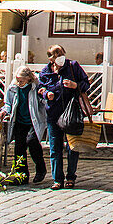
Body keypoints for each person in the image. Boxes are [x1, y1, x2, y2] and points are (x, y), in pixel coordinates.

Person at [38, 44, 90, 189]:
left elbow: (86, 84)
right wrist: (46, 94)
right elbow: (40, 88)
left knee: (72, 147)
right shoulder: (46, 71)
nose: (61, 57)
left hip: (71, 112)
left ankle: (71, 177)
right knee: (55, 148)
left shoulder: (73, 66)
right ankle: (57, 179)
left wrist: (75, 85)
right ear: (51, 59)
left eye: (62, 54)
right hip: (53, 113)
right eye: (57, 55)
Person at [3, 66, 47, 185]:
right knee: (19, 148)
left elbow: (43, 101)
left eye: (21, 80)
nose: (19, 82)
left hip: (33, 120)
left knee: (32, 141)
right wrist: (4, 111)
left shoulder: (35, 87)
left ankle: (41, 169)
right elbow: (8, 103)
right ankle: (21, 176)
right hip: (20, 120)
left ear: (28, 78)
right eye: (17, 79)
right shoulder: (13, 87)